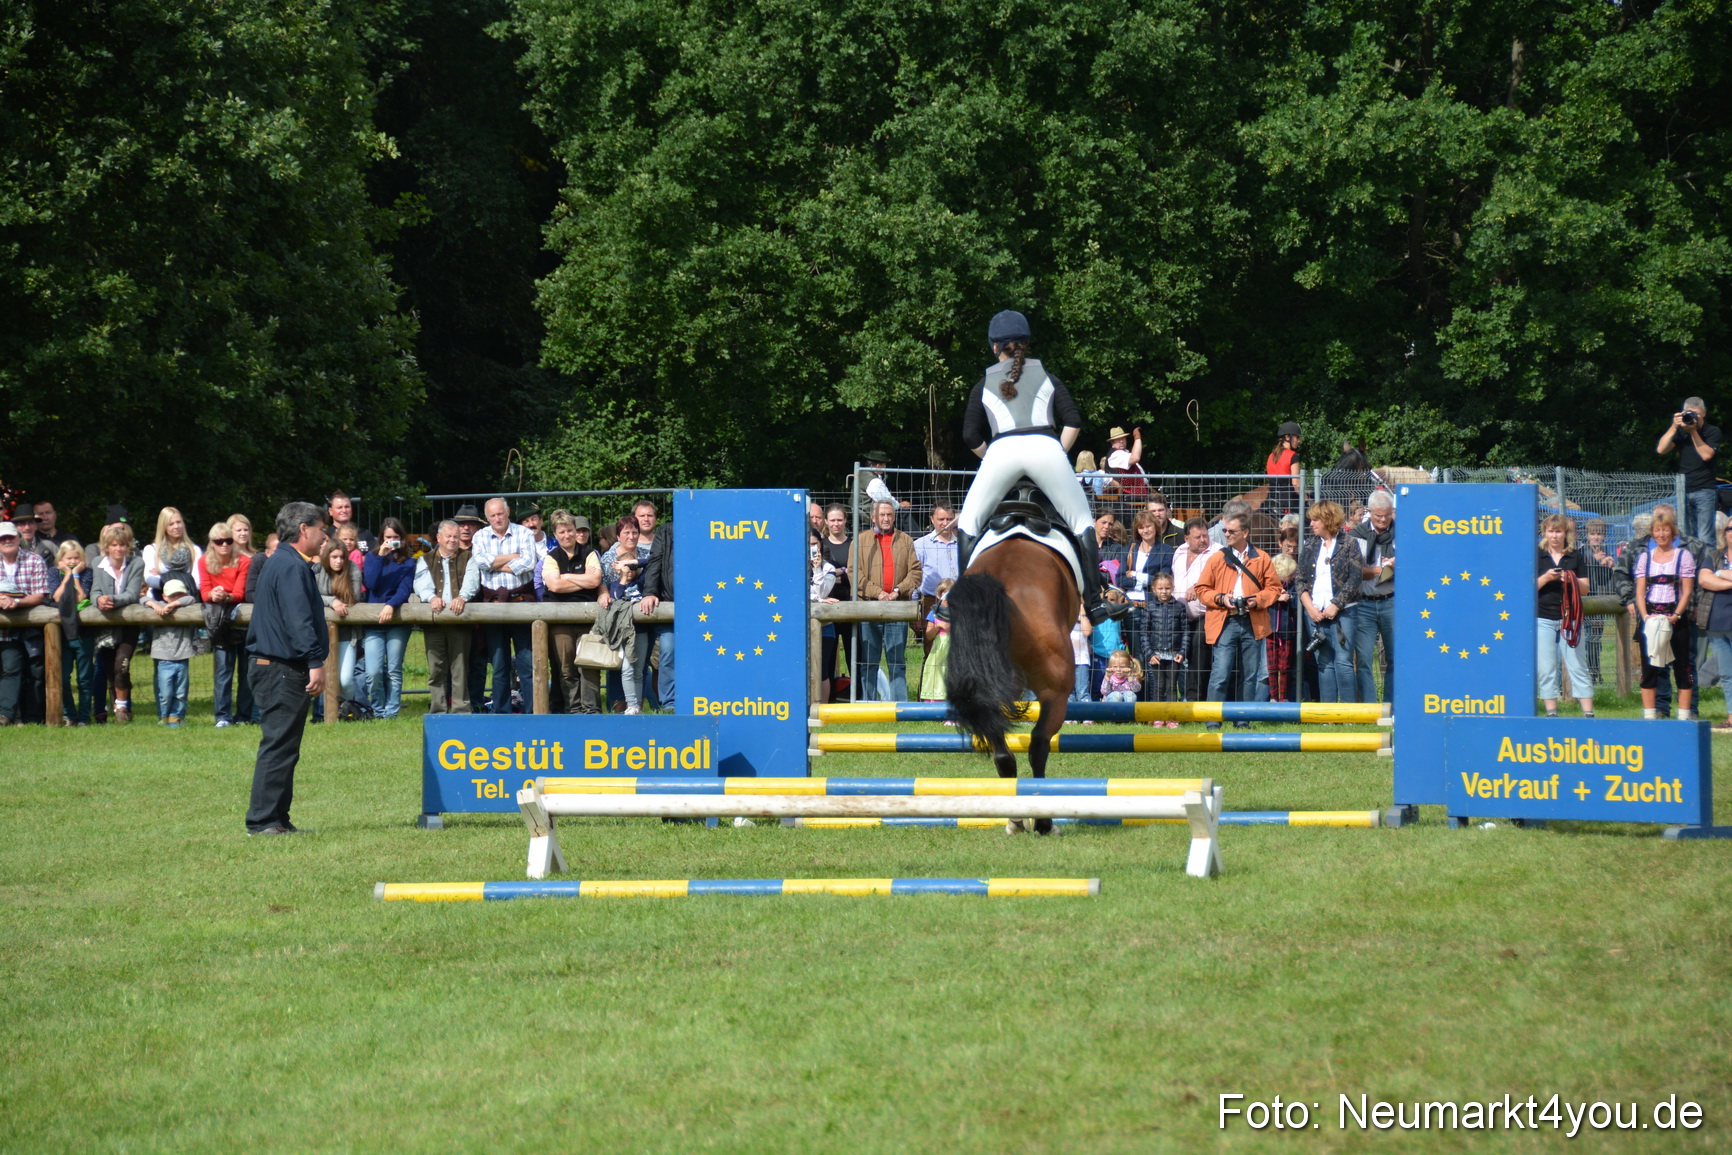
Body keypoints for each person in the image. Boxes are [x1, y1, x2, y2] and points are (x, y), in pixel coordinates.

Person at [955, 309, 1130, 625]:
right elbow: (1073, 419)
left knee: (968, 523)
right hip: (1046, 448)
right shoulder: (1049, 377)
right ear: (1026, 344)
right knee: (1081, 522)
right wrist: (1056, 456)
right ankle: (1094, 602)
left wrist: (992, 459)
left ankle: (960, 598)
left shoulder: (984, 382)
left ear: (994, 347)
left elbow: (969, 434)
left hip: (1001, 451)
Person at [244, 502, 328, 835]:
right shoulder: (290, 566)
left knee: (285, 746)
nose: (325, 536)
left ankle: (278, 818)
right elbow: (299, 620)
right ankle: (263, 821)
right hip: (280, 668)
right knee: (279, 745)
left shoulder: (281, 561)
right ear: (304, 528)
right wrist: (315, 661)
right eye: (322, 528)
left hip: (276, 666)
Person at [1193, 512, 1284, 727]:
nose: (1226, 534)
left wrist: (1257, 600)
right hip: (1226, 621)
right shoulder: (1216, 558)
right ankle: (1213, 722)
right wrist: (1221, 598)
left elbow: (1274, 588)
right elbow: (1201, 589)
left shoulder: (1262, 558)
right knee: (1220, 673)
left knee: (1250, 675)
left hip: (1253, 621)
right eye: (1225, 530)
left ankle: (1242, 722)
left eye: (1231, 531)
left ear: (1245, 533)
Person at [470, 498, 538, 713]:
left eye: (500, 514)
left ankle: (534, 711)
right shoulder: (479, 536)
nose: (497, 519)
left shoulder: (524, 533)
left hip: (521, 604)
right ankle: (501, 712)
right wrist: (513, 558)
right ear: (487, 517)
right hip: (494, 607)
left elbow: (530, 562)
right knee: (499, 665)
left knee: (527, 664)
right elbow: (481, 562)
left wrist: (496, 564)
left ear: (507, 513)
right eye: (492, 516)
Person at [852, 500, 922, 701]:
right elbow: (853, 573)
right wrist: (877, 592)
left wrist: (898, 591)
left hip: (897, 607)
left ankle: (900, 706)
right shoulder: (860, 540)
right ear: (873, 517)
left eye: (889, 514)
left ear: (894, 516)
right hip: (869, 607)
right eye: (882, 515)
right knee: (868, 660)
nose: (886, 518)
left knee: (897, 660)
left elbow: (915, 572)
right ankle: (869, 705)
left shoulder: (905, 540)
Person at [1634, 508, 1698, 720]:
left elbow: (1687, 591)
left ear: (1673, 532)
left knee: (1682, 665)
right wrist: (1645, 617)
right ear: (1652, 533)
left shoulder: (1683, 556)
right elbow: (1640, 591)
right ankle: (1650, 716)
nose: (1661, 534)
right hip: (1651, 617)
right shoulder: (1646, 558)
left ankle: (1683, 715)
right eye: (1657, 530)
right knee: (1649, 666)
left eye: (1665, 530)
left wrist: (1676, 616)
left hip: (1675, 617)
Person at [1298, 500, 1361, 702]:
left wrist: (1336, 604)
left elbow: (1355, 578)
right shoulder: (1310, 545)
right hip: (1316, 614)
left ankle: (1350, 716)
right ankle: (1329, 716)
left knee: (1343, 662)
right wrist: (1309, 608)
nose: (1311, 524)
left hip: (1345, 613)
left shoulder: (1349, 543)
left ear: (1327, 520)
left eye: (1315, 520)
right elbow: (1299, 579)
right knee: (1324, 663)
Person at [543, 513, 603, 713]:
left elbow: (595, 582)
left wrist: (567, 576)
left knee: (589, 665)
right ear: (555, 534)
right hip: (560, 620)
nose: (567, 535)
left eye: (570, 530)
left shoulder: (590, 553)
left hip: (588, 618)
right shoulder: (551, 557)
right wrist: (582, 579)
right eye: (562, 531)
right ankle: (573, 709)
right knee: (565, 668)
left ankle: (591, 709)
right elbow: (555, 586)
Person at [1536, 513, 1594, 718]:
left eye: (1558, 531)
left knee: (1578, 666)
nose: (1554, 536)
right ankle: (1551, 713)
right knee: (1546, 668)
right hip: (1542, 618)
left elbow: (1586, 588)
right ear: (1544, 533)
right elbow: (1527, 588)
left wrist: (1568, 578)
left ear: (1565, 533)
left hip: (1571, 619)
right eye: (1551, 531)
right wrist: (1545, 578)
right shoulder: (1536, 555)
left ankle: (1588, 714)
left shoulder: (1576, 556)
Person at [414, 519, 475, 715]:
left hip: (460, 620)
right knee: (436, 667)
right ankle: (438, 709)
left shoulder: (469, 558)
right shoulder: (425, 559)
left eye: (455, 537)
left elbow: (472, 581)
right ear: (438, 538)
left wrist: (462, 597)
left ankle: (461, 709)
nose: (452, 540)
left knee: (460, 667)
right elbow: (421, 585)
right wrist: (431, 597)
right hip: (435, 621)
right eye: (448, 536)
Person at [362, 518, 416, 719]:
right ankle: (378, 710)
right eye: (388, 537)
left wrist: (390, 605)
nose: (392, 541)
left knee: (393, 669)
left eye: (395, 537)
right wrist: (379, 557)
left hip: (398, 621)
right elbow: (371, 583)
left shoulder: (409, 562)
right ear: (381, 538)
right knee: (373, 671)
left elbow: (405, 589)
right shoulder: (371, 557)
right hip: (373, 621)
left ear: (402, 538)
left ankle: (391, 713)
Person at [599, 515, 653, 713]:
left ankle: (636, 706)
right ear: (618, 535)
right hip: (618, 620)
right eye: (626, 532)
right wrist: (606, 593)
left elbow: (652, 564)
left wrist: (632, 564)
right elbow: (606, 586)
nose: (631, 536)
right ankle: (618, 707)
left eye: (634, 532)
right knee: (619, 668)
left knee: (639, 668)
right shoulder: (608, 558)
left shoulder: (645, 554)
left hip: (641, 622)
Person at [200, 522, 253, 727]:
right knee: (223, 670)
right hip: (220, 621)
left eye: (228, 541)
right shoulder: (204, 561)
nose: (224, 545)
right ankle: (222, 716)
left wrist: (225, 594)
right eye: (219, 541)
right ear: (211, 543)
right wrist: (213, 594)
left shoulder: (243, 561)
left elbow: (240, 593)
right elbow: (204, 591)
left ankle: (244, 716)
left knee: (246, 671)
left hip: (241, 618)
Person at [90, 522, 143, 724]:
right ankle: (115, 709)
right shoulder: (97, 563)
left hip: (128, 623)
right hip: (105, 623)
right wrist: (98, 600)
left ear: (127, 546)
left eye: (121, 545)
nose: (118, 549)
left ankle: (122, 709)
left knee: (122, 666)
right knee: (108, 668)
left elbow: (131, 594)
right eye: (113, 545)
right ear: (107, 547)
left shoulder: (136, 564)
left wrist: (110, 599)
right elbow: (95, 591)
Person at [0, 521, 50, 725]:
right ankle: (8, 714)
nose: (7, 541)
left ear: (18, 538)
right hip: (3, 631)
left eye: (10, 537)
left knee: (30, 672)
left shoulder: (35, 560)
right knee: (10, 669)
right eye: (2, 538)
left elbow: (40, 595)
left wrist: (16, 601)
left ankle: (14, 716)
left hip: (30, 628)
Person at [1349, 489, 1396, 703]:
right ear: (1369, 512)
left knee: (1394, 659)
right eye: (1378, 516)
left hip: (1391, 602)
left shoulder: (1401, 534)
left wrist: (1397, 566)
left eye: (1387, 515)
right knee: (1364, 660)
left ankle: (1391, 708)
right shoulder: (1356, 535)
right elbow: (1353, 571)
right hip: (1364, 604)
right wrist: (1378, 570)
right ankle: (1370, 709)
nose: (1383, 520)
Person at [1657, 398, 1721, 541]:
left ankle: (1707, 563)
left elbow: (1706, 455)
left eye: (1697, 414)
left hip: (1705, 489)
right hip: (1684, 490)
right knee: (1686, 535)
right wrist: (1674, 426)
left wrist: (1693, 432)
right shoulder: (1681, 432)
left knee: (1705, 537)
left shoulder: (1712, 431)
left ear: (1704, 413)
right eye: (1689, 414)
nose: (1693, 418)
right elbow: (1661, 449)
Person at [143, 568, 198, 727]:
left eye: (179, 594)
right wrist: (153, 604)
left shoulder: (185, 607)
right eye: (172, 595)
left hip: (182, 657)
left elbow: (191, 599)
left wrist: (174, 604)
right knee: (165, 692)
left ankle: (176, 717)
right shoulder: (158, 605)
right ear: (164, 596)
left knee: (180, 692)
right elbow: (141, 600)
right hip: (164, 658)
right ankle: (164, 716)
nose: (177, 597)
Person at [1171, 516, 1218, 700]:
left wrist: (1198, 588)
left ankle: (1195, 701)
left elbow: (1221, 580)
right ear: (1186, 539)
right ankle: (1176, 698)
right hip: (1180, 615)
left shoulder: (1217, 552)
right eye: (1197, 537)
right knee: (1179, 656)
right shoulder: (1179, 551)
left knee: (1199, 656)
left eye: (1205, 536)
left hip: (1206, 614)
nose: (1203, 540)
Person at [1692, 519, 1732, 731]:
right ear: (1724, 533)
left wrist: (1721, 574)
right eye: (1730, 528)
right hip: (1717, 622)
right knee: (1727, 673)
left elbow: (1713, 578)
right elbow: (1704, 580)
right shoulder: (1715, 556)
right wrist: (1721, 575)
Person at [51, 540, 95, 725]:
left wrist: (75, 575)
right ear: (61, 559)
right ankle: (71, 715)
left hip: (84, 634)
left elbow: (81, 596)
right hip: (63, 634)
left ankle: (84, 717)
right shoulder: (53, 573)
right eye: (69, 558)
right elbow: (57, 596)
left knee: (84, 678)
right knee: (64, 677)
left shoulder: (88, 573)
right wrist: (68, 574)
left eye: (77, 558)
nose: (73, 561)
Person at [316, 539, 363, 704]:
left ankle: (348, 709)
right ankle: (324, 713)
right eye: (334, 557)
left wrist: (333, 602)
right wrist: (332, 601)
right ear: (327, 556)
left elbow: (354, 598)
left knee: (345, 679)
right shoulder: (317, 570)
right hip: (321, 632)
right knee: (325, 676)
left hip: (347, 633)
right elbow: (310, 596)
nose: (339, 561)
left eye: (342, 557)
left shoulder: (352, 569)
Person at [637, 511, 676, 711]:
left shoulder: (707, 528)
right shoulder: (666, 531)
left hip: (703, 605)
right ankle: (669, 703)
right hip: (669, 602)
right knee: (667, 651)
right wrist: (650, 592)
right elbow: (655, 561)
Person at [1142, 572, 1188, 723]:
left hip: (1174, 654)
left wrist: (1182, 651)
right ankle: (1158, 716)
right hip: (1156, 655)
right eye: (1160, 588)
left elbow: (1186, 631)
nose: (1164, 591)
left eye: (1167, 588)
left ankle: (1171, 717)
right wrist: (1149, 654)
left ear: (1173, 588)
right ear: (1154, 589)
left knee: (1172, 687)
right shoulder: (1149, 608)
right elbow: (1143, 633)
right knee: (1158, 686)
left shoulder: (1180, 607)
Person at [912, 504, 960, 651]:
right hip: (932, 603)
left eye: (949, 519)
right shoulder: (921, 545)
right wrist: (915, 611)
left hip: (959, 603)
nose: (945, 523)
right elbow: (914, 577)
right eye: (941, 519)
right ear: (932, 519)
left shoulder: (962, 544)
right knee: (932, 650)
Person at [820, 505, 855, 691]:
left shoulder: (854, 545)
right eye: (832, 520)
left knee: (853, 654)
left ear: (845, 520)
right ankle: (832, 693)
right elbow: (822, 575)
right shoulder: (822, 545)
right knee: (829, 655)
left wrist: (835, 574)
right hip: (829, 608)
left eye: (839, 520)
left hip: (851, 606)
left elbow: (857, 573)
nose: (836, 524)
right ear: (826, 521)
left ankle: (856, 694)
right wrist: (843, 573)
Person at [142, 507, 202, 594]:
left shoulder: (194, 550)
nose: (176, 526)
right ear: (164, 527)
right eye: (171, 524)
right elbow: (150, 580)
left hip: (187, 600)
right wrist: (186, 578)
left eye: (178, 522)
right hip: (158, 600)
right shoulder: (151, 550)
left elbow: (197, 583)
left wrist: (163, 576)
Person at [853, 450, 910, 529]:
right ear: (878, 465)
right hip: (867, 514)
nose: (885, 467)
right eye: (884, 465)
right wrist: (901, 505)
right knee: (903, 512)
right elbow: (887, 501)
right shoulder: (874, 481)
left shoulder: (862, 474)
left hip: (862, 512)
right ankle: (915, 538)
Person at [920, 578, 955, 703]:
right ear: (938, 595)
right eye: (942, 594)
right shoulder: (934, 612)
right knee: (936, 675)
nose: (945, 598)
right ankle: (933, 702)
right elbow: (928, 635)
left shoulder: (957, 613)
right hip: (938, 651)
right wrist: (938, 627)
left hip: (953, 651)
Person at [1102, 426, 1147, 505]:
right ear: (1112, 443)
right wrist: (1137, 438)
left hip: (1135, 497)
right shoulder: (1115, 454)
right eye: (1118, 440)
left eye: (1123, 438)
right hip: (1127, 499)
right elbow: (1135, 458)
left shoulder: (1123, 453)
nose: (1121, 441)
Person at [1266, 421, 1303, 516]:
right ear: (1287, 437)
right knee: (1309, 520)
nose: (1299, 441)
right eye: (1297, 437)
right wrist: (1305, 497)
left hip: (1271, 501)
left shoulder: (1271, 455)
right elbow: (1296, 484)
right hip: (1289, 503)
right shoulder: (1293, 456)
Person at [326, 489, 373, 555]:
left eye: (347, 507)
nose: (344, 510)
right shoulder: (326, 535)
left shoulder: (365, 534)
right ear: (330, 511)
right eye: (339, 507)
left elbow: (373, 558)